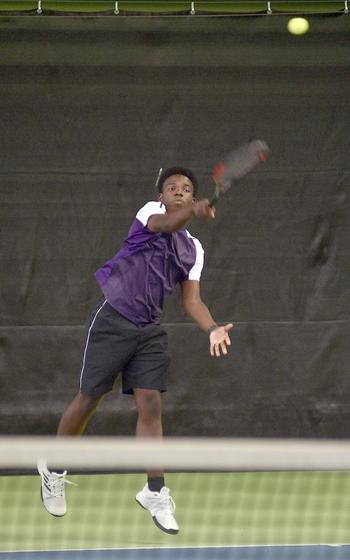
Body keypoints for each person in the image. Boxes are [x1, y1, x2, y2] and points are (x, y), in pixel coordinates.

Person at [38, 166, 233, 534]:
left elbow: (192, 301)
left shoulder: (195, 250)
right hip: (113, 318)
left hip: (148, 331)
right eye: (171, 188)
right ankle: (54, 468)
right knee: (89, 399)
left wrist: (211, 328)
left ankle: (154, 491)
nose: (179, 192)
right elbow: (166, 224)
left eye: (187, 189)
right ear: (161, 196)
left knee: (151, 404)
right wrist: (192, 211)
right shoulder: (149, 214)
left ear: (194, 197)